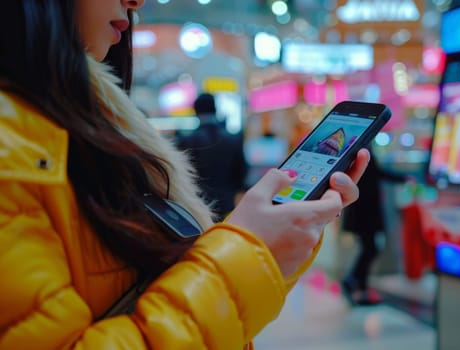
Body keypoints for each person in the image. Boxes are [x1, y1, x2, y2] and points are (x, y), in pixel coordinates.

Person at [0, 1, 370, 349]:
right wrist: (244, 249)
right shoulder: (17, 148)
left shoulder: (84, 130)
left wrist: (267, 250)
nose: (136, 1)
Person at [341, 147, 411, 306]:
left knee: (368, 248)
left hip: (362, 211)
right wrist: (402, 178)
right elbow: (378, 173)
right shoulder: (363, 151)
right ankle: (355, 283)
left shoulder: (360, 150)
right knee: (370, 249)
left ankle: (358, 285)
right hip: (365, 212)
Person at [175, 92, 248, 222]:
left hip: (198, 204)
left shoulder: (186, 140)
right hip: (226, 202)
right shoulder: (233, 139)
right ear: (215, 109)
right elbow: (241, 173)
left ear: (195, 111)